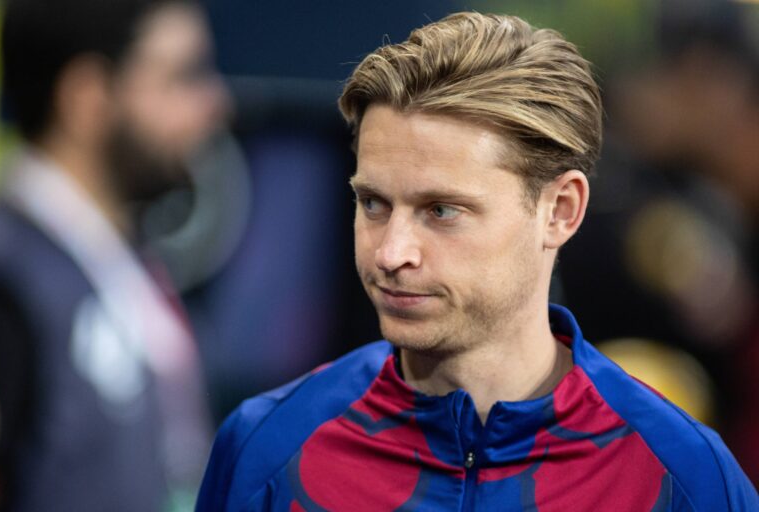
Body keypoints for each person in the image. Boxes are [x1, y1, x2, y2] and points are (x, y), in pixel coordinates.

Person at [196, 12, 758, 511]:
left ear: (560, 210)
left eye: (441, 210)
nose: (391, 253)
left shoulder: (681, 476)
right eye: (372, 203)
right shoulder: (266, 446)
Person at [0, 0, 228, 510]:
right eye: (183, 76)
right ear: (88, 96)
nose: (216, 102)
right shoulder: (6, 278)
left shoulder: (121, 264)